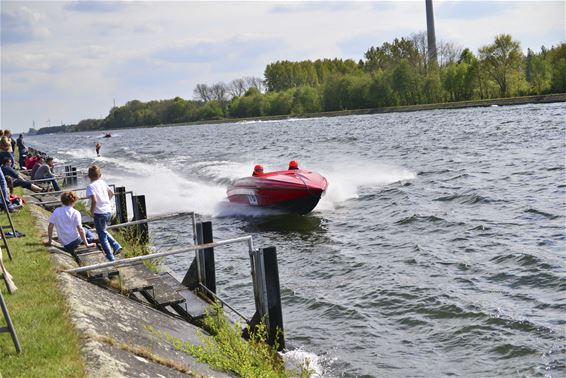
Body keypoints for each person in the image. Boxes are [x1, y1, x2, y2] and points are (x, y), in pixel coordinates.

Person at [86, 165, 121, 261]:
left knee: (102, 237)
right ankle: (116, 245)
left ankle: (110, 256)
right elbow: (111, 193)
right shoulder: (102, 182)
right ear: (100, 175)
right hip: (108, 211)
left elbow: (94, 200)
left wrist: (91, 211)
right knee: (103, 231)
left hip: (99, 213)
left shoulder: (90, 186)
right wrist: (106, 202)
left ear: (89, 176)